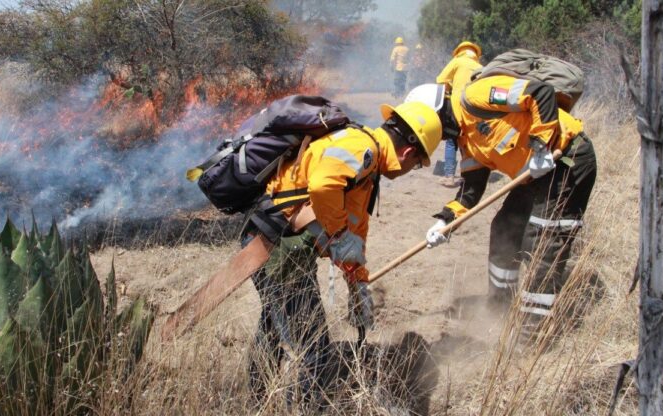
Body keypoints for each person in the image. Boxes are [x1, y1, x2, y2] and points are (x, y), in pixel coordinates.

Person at [246, 99, 443, 409]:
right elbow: (323, 188)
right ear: (408, 153)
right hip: (276, 245)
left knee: (273, 323)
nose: (411, 170)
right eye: (417, 164)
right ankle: (307, 407)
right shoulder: (361, 148)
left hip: (280, 244)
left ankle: (258, 403)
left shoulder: (367, 171)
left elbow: (354, 232)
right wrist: (337, 237)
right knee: (315, 348)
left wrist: (358, 284)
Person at [425, 74, 597, 338]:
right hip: (534, 175)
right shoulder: (466, 143)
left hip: (566, 159)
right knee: (505, 226)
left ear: (440, 112)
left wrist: (540, 145)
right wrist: (447, 220)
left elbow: (540, 92)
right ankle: (500, 305)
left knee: (542, 240)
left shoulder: (477, 96)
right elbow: (471, 191)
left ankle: (533, 331)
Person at [435, 41, 483, 188]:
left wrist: (450, 87)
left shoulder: (457, 61)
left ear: (460, 51)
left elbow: (440, 80)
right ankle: (469, 178)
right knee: (468, 142)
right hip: (475, 108)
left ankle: (449, 176)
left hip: (457, 105)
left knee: (452, 139)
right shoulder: (481, 68)